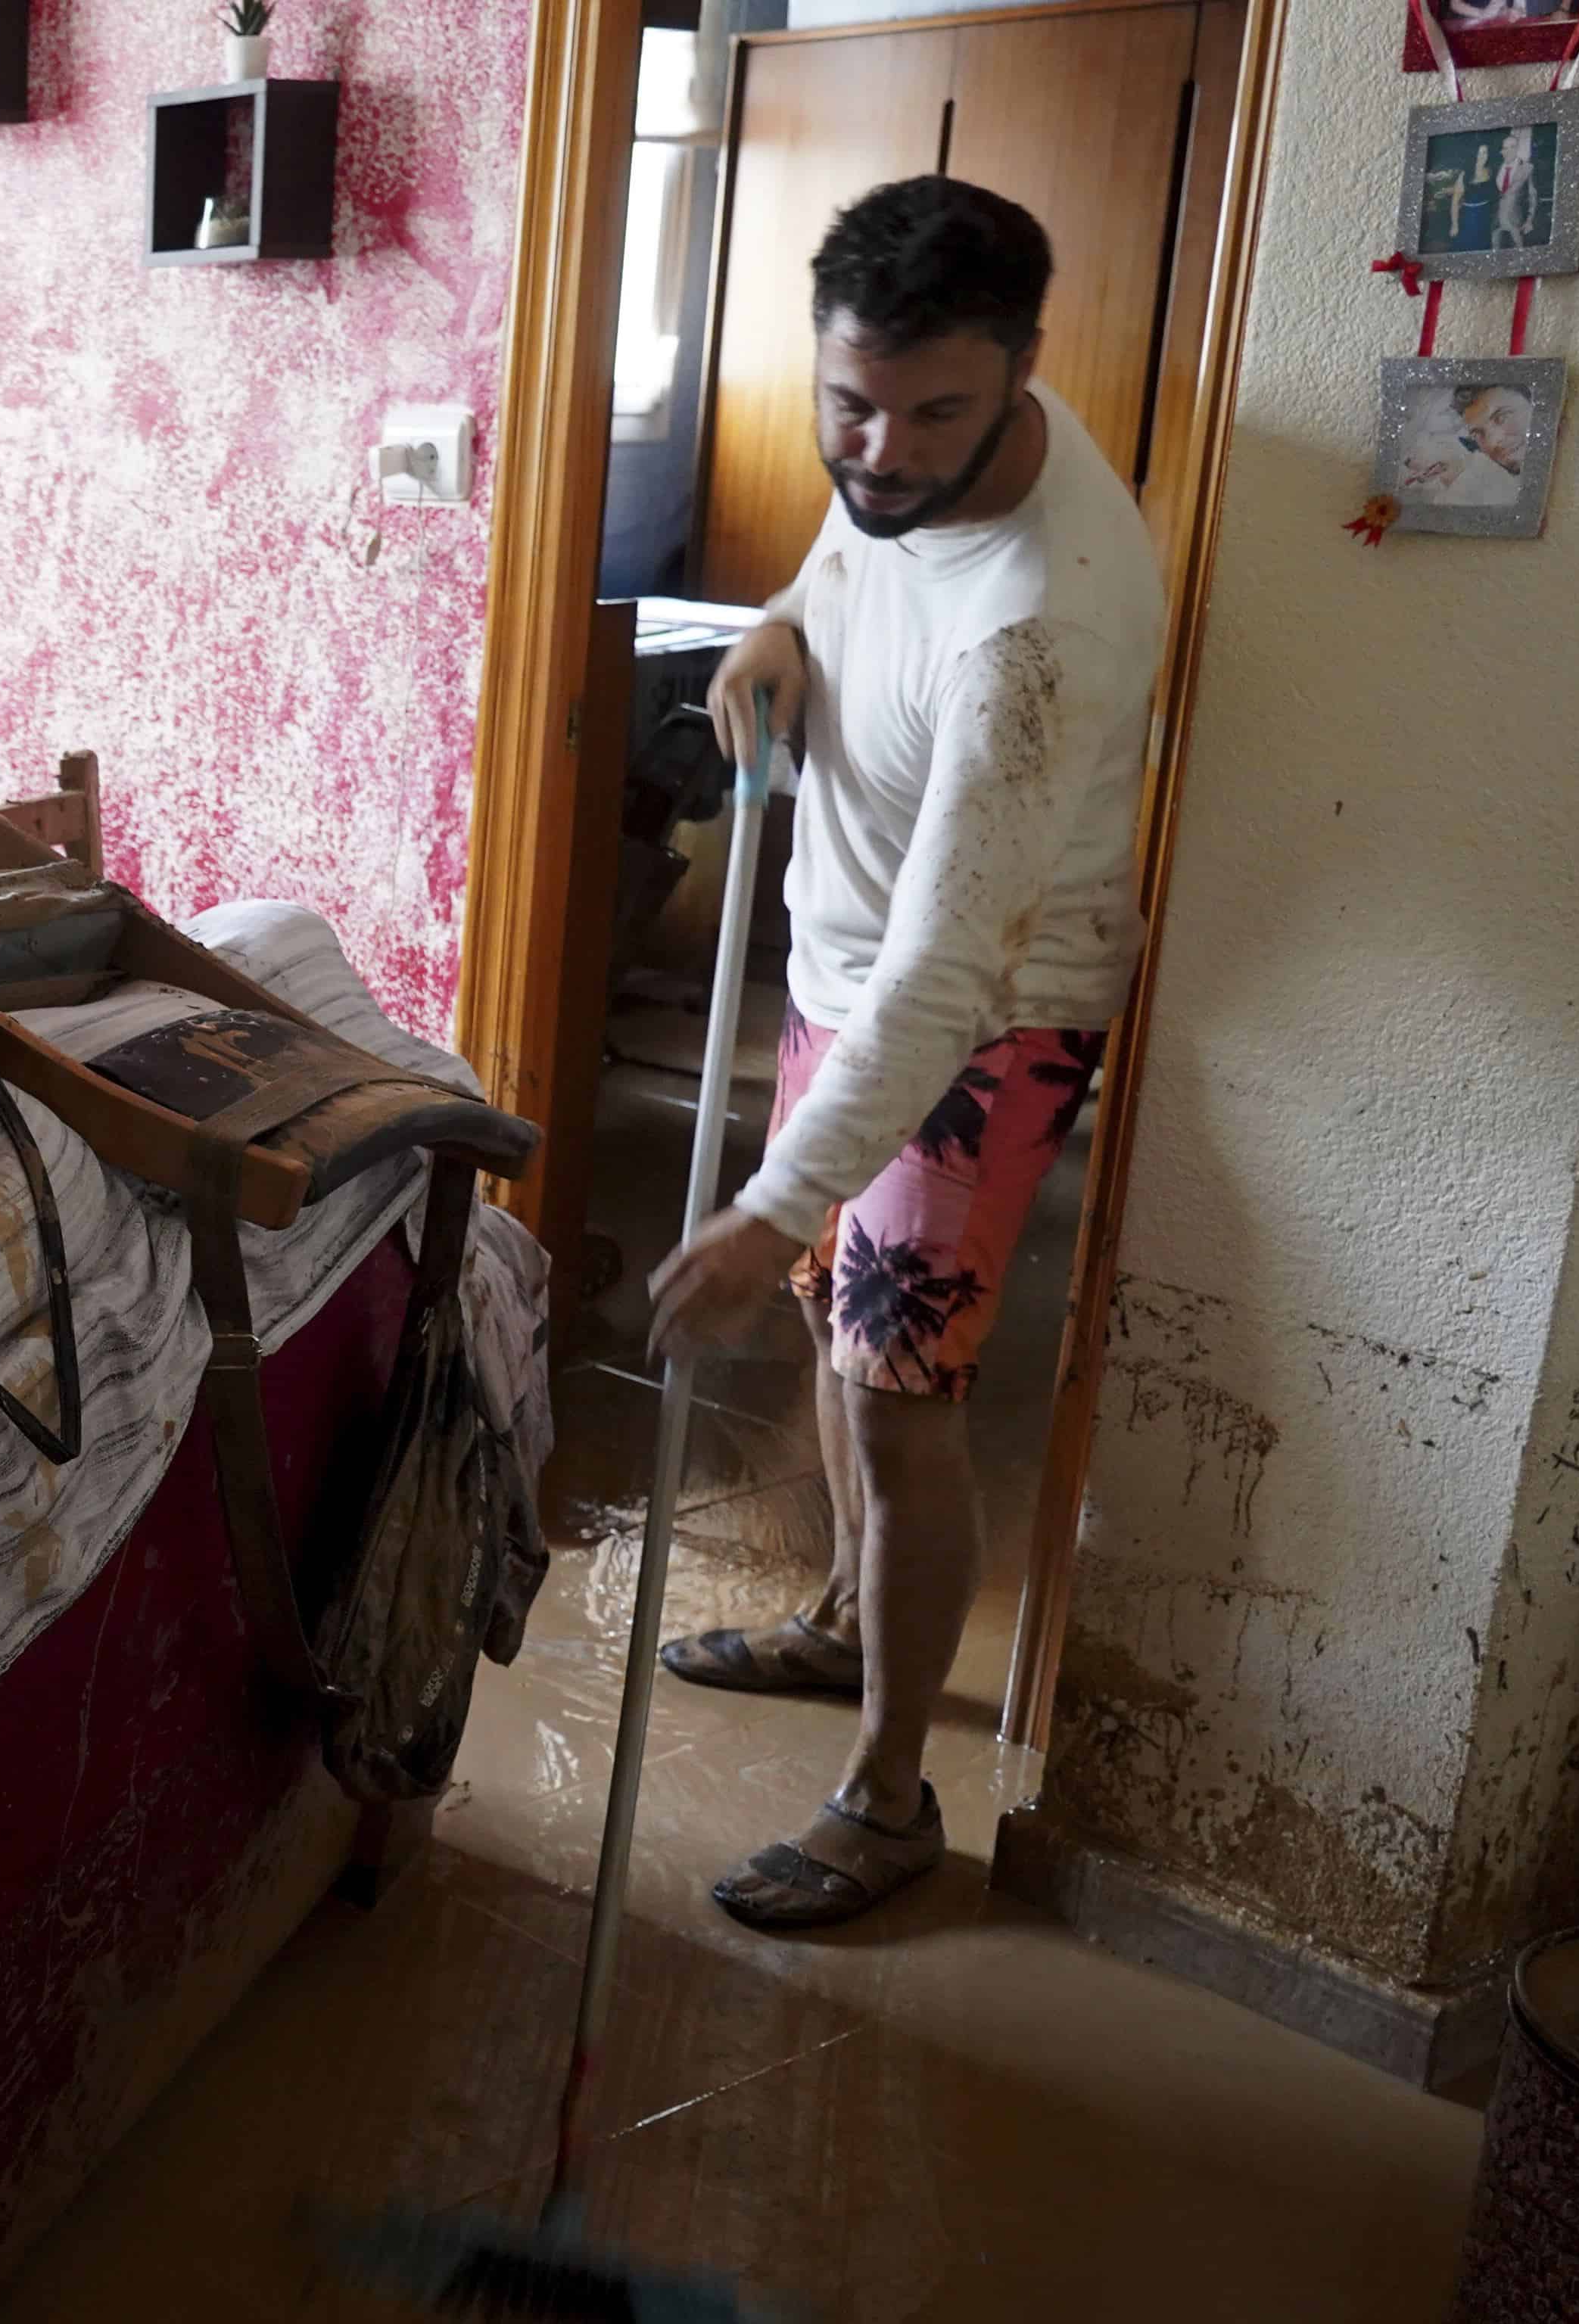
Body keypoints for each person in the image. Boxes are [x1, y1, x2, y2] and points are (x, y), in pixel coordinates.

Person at [646, 176, 1160, 1930]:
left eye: (934, 411)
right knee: (823, 1319)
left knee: (894, 1389)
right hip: (847, 973)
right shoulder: (900, 454)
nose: (879, 445)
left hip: (978, 1020)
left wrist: (769, 1196)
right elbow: (848, 547)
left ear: (1021, 376)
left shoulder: (1043, 626)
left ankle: (887, 1797)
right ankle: (846, 1617)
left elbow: (953, 974)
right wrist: (780, 625)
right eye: (848, 401)